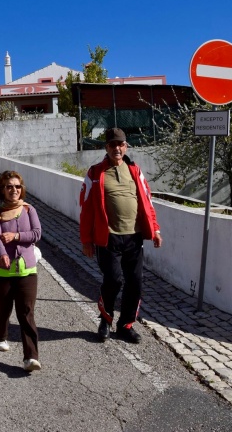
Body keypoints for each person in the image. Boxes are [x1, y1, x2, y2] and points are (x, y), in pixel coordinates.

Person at [79, 128, 163, 344]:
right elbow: (86, 208)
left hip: (134, 237)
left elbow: (147, 202)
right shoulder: (95, 172)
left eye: (120, 144)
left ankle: (126, 325)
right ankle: (105, 320)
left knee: (135, 283)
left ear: (126, 146)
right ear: (106, 148)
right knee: (113, 280)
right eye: (112, 145)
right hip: (108, 237)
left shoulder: (135, 170)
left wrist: (155, 229)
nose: (117, 148)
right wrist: (86, 240)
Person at [0, 171, 42, 372]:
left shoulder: (28, 209)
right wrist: (2, 254)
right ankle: (0, 336)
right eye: (9, 186)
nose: (14, 190)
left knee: (26, 312)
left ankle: (31, 357)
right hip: (2, 270)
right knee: (3, 309)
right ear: (2, 189)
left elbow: (37, 234)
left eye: (17, 186)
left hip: (27, 270)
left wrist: (16, 236)